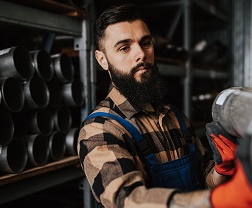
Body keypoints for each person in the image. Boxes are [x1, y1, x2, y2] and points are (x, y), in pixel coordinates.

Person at [77, 3, 241, 207]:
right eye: (124, 47)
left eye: (145, 43)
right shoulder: (100, 129)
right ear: (102, 60)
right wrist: (213, 201)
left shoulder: (173, 115)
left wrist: (221, 170)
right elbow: (127, 201)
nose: (141, 54)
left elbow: (205, 180)